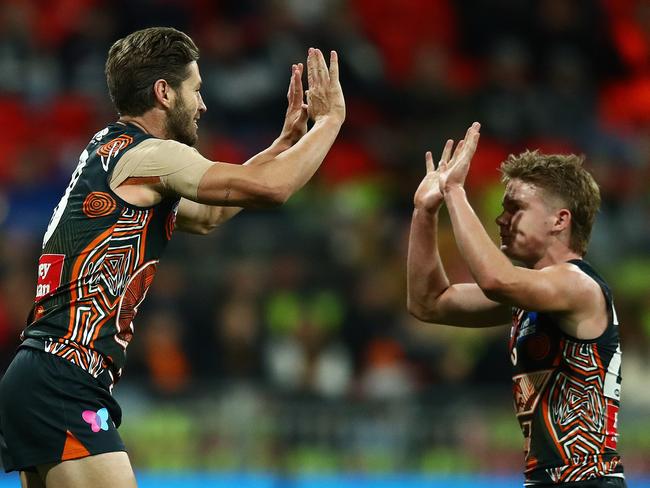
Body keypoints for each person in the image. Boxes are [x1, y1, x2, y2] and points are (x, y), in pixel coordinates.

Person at [0, 26, 345, 488]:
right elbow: (271, 189)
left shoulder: (113, 151)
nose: (202, 104)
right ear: (164, 92)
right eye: (196, 89)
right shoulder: (151, 155)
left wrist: (284, 144)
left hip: (45, 372)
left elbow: (207, 215)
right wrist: (330, 123)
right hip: (63, 377)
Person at [407, 123, 625, 487]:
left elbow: (495, 280)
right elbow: (429, 303)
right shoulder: (529, 296)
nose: (500, 219)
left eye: (516, 208)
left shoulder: (578, 285)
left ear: (560, 220)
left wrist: (456, 192)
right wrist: (424, 213)